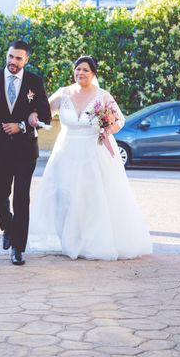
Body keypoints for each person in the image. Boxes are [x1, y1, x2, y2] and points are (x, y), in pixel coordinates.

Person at [28, 56, 151, 260]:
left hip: (93, 151)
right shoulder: (63, 93)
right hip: (65, 152)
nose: (80, 73)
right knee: (64, 196)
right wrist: (33, 112)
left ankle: (91, 241)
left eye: (85, 70)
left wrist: (108, 129)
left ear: (93, 74)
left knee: (90, 197)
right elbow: (43, 110)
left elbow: (119, 120)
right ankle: (69, 240)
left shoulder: (102, 96)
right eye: (77, 69)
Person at [0, 41, 51, 265]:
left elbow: (45, 115)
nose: (13, 62)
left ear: (25, 60)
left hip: (25, 149)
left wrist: (23, 125)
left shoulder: (34, 82)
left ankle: (18, 248)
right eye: (10, 56)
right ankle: (7, 225)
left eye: (18, 58)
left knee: (21, 199)